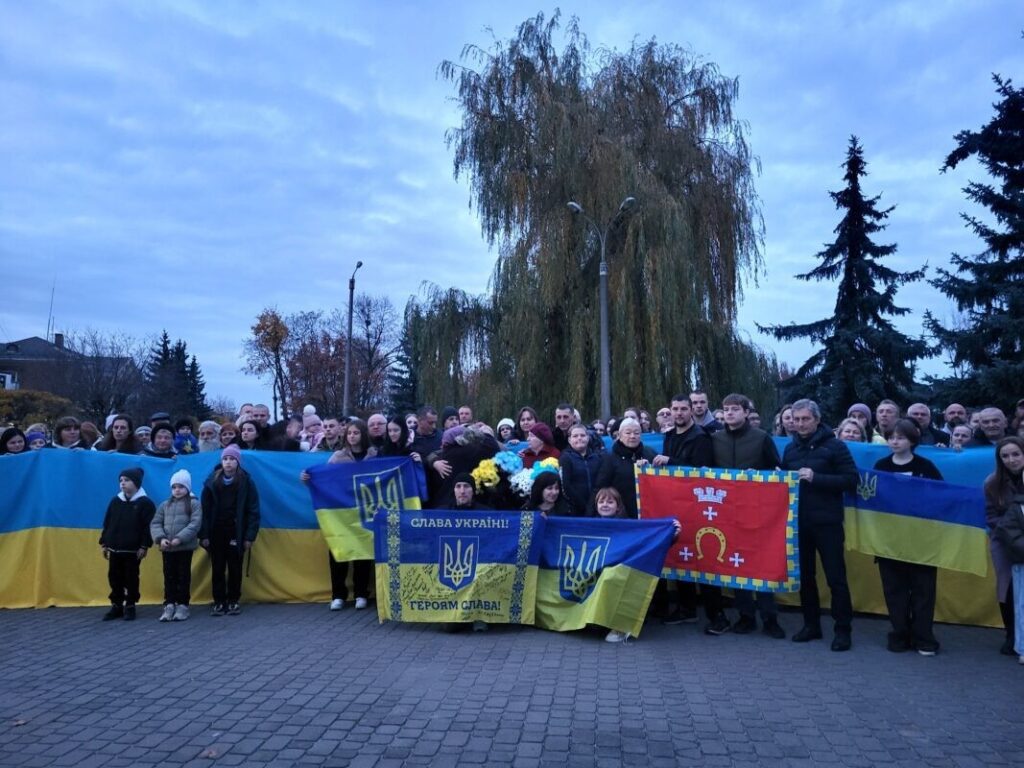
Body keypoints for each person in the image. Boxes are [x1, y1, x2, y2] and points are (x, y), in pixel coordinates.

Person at [781, 399, 858, 651]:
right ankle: (811, 625)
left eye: (805, 419)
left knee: (836, 578)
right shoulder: (790, 450)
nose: (800, 424)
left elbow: (850, 480)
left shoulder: (836, 446)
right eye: (796, 419)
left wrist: (817, 478)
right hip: (799, 524)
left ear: (816, 419)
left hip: (827, 523)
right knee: (806, 577)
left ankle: (843, 630)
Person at [710, 394, 785, 639]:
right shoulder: (715, 439)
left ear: (745, 412)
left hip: (758, 512)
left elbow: (778, 472)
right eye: (726, 409)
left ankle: (770, 617)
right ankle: (746, 616)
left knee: (760, 563)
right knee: (736, 562)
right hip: (727, 512)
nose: (730, 413)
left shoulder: (761, 437)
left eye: (734, 409)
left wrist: (760, 474)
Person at [872, 419, 944, 655]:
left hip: (921, 541)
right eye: (891, 437)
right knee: (895, 591)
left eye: (901, 437)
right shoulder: (881, 465)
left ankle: (924, 637)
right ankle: (900, 634)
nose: (895, 441)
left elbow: (942, 497)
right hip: (889, 542)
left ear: (912, 440)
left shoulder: (926, 466)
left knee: (923, 591)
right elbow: (872, 499)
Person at [652, 395, 718, 629]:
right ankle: (686, 608)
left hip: (698, 506)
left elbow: (701, 469)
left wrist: (671, 460)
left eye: (683, 409)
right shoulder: (669, 436)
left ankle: (717, 616)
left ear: (692, 411)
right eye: (675, 409)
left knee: (704, 558)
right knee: (681, 555)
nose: (678, 413)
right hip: (675, 503)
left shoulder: (701, 437)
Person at [320, 420, 377, 609]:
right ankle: (338, 595)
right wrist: (308, 478)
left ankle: (361, 593)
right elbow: (324, 478)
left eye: (356, 433)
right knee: (339, 551)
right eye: (349, 433)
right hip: (341, 513)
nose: (352, 436)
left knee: (363, 551)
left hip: (365, 511)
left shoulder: (374, 455)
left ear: (363, 435)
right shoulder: (338, 457)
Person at [200, 445, 260, 616]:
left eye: (232, 459)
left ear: (238, 462)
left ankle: (233, 600)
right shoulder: (212, 481)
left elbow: (253, 510)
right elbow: (203, 511)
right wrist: (203, 535)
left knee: (235, 567)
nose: (228, 462)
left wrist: (249, 536)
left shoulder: (246, 482)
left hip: (236, 531)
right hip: (216, 531)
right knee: (217, 567)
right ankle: (219, 601)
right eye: (225, 459)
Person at [99, 467, 155, 621]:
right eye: (121, 481)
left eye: (127, 480)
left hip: (132, 550)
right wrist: (104, 542)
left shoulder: (145, 503)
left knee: (131, 577)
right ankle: (117, 604)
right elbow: (108, 523)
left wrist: (144, 545)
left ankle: (130, 604)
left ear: (136, 482)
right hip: (114, 548)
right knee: (114, 577)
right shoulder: (116, 501)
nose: (123, 483)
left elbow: (148, 527)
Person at [985, 437, 1024, 657]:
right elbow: (991, 516)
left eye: (1016, 454)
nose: (1011, 459)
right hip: (1004, 542)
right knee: (1007, 589)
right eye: (1005, 456)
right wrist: (1013, 534)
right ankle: (1011, 634)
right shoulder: (992, 483)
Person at [151, 469, 202, 622]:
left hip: (184, 548)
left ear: (187, 488)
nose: (177, 490)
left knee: (183, 576)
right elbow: (155, 523)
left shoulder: (194, 504)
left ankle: (183, 605)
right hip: (167, 548)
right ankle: (169, 604)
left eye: (181, 486)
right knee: (169, 576)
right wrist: (161, 539)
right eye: (174, 487)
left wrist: (180, 538)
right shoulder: (165, 505)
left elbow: (195, 524)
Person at [594, 418, 654, 520]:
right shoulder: (610, 458)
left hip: (647, 511)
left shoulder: (649, 454)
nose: (632, 436)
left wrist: (649, 468)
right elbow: (600, 487)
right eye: (628, 433)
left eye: (636, 433)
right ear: (620, 436)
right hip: (620, 514)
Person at [560, 424, 602, 517]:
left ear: (587, 438)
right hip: (574, 507)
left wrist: (591, 505)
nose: (579, 438)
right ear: (569, 440)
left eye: (582, 435)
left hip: (595, 506)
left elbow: (599, 483)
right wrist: (583, 505)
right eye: (575, 436)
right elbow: (566, 485)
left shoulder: (597, 458)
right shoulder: (565, 458)